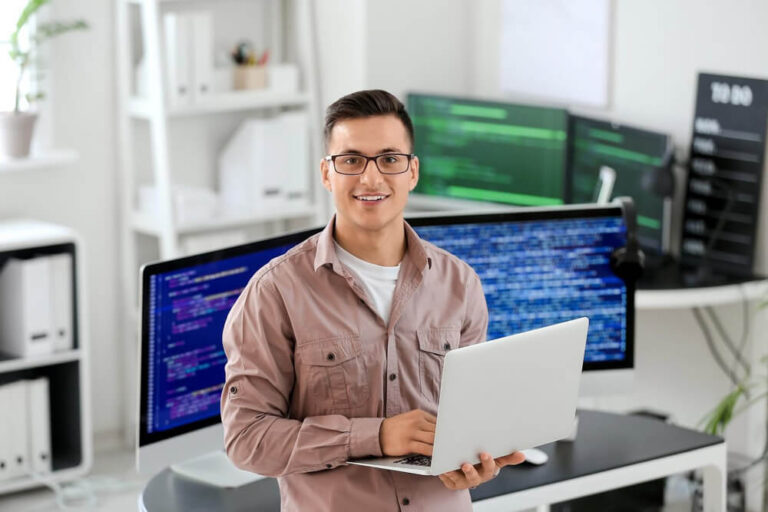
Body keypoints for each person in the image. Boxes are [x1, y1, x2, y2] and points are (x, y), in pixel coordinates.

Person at [220, 89, 524, 512]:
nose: (371, 178)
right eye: (351, 160)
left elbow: (471, 420)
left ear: (412, 171)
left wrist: (478, 460)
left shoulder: (460, 283)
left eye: (389, 158)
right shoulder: (275, 292)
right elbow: (246, 439)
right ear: (327, 174)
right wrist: (375, 436)